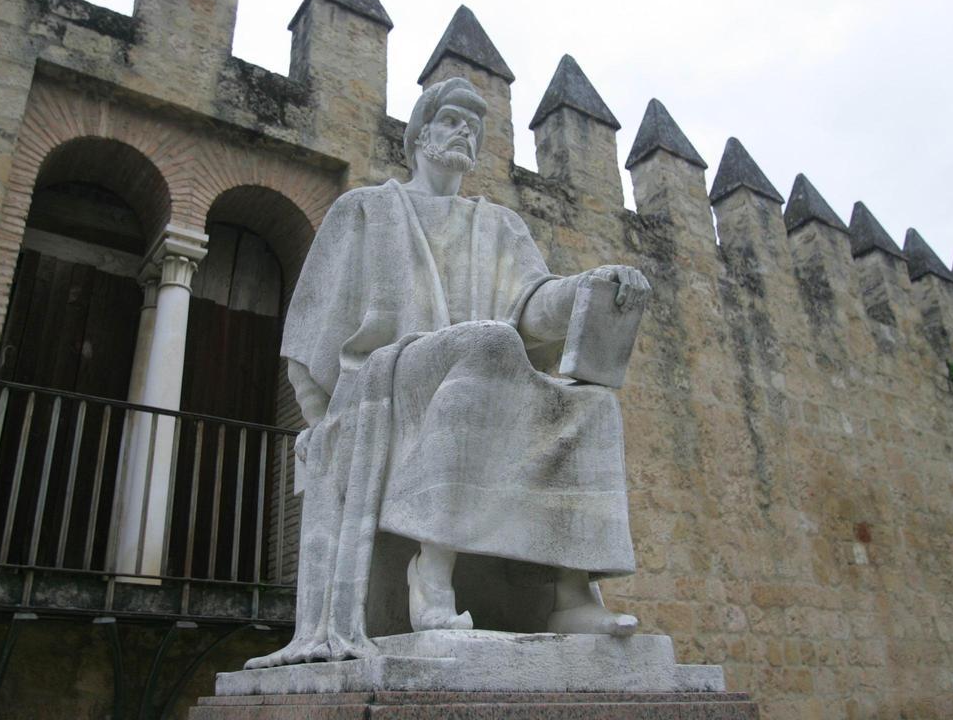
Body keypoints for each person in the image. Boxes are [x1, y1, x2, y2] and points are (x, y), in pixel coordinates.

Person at [247, 77, 650, 669]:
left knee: (591, 401)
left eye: (474, 125)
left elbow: (533, 305)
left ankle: (570, 594)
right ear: (419, 134)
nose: (465, 131)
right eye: (452, 119)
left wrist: (590, 287)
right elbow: (310, 331)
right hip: (386, 382)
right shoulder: (364, 210)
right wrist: (322, 424)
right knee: (488, 342)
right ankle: (431, 571)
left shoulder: (500, 226)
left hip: (481, 371)